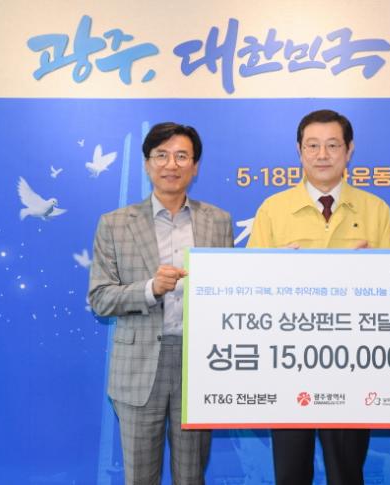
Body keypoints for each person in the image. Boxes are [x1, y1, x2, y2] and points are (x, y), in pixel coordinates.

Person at [247, 109, 390, 484]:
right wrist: (274, 272)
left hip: (353, 363)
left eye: (333, 145)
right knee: (290, 473)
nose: (322, 155)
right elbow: (249, 288)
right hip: (287, 362)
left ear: (349, 150)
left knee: (347, 473)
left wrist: (374, 272)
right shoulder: (273, 210)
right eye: (312, 146)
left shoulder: (376, 210)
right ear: (299, 151)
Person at [89, 122, 233, 484]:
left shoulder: (218, 221)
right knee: (140, 477)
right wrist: (150, 289)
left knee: (191, 476)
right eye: (162, 155)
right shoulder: (114, 224)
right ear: (147, 163)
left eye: (182, 156)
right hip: (138, 367)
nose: (172, 164)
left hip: (200, 366)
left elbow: (229, 292)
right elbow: (100, 298)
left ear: (195, 166)